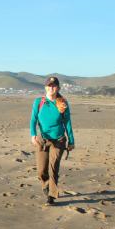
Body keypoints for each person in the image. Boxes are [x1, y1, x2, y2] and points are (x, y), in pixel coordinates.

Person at [30, 76, 75, 205]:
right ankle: (45, 185)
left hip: (58, 141)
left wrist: (71, 141)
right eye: (49, 86)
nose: (51, 88)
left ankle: (51, 196)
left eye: (54, 86)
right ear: (45, 87)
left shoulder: (62, 103)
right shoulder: (39, 102)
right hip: (42, 141)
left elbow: (67, 123)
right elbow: (33, 120)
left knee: (53, 168)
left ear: (58, 88)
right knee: (41, 171)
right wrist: (33, 135)